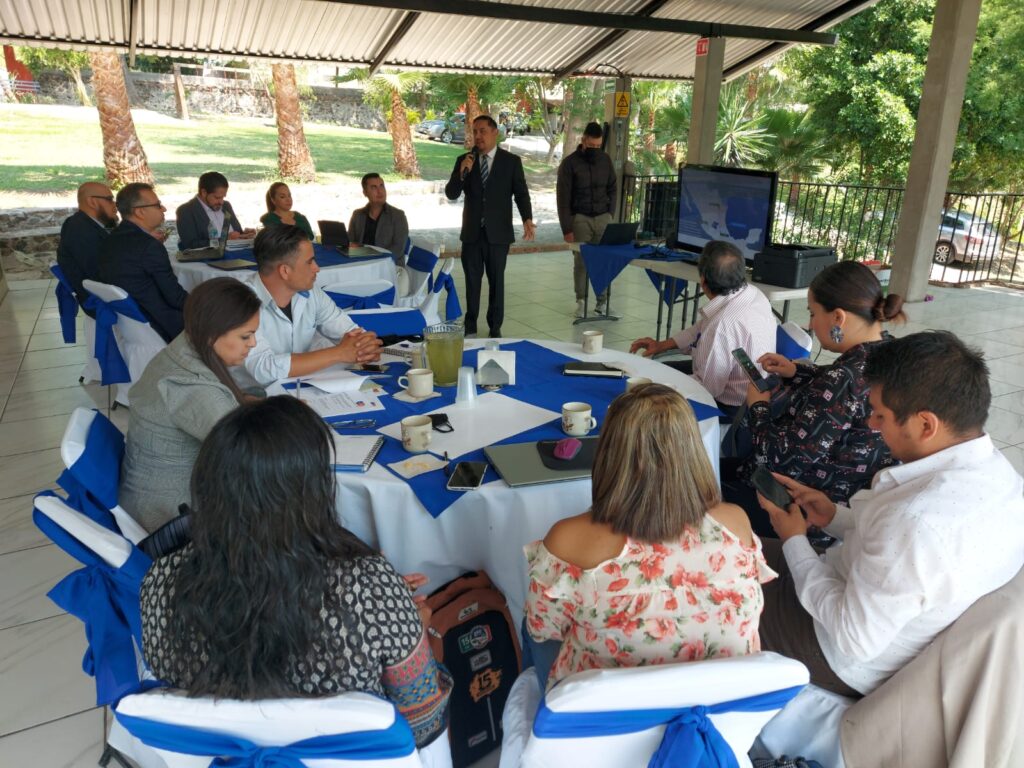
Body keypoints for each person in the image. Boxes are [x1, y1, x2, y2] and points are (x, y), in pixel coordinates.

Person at [140, 396, 452, 747]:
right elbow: (423, 724)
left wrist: (384, 603)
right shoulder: (369, 589)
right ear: (312, 491)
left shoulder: (159, 582)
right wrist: (413, 626)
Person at [755, 331, 1024, 698]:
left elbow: (853, 638)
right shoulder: (1002, 477)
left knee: (709, 580)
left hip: (832, 651)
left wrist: (794, 540)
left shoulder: (917, 522)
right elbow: (895, 549)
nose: (871, 425)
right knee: (736, 545)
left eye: (881, 414)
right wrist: (832, 516)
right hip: (846, 586)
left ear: (925, 425)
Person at [524, 383, 775, 689]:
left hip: (606, 712)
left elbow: (543, 627)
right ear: (693, 451)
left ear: (608, 453)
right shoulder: (735, 523)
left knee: (529, 629)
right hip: (718, 704)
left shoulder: (568, 539)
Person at [724, 260, 906, 536]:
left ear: (838, 318)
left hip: (806, 509)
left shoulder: (842, 379)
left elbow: (777, 459)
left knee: (699, 481)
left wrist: (758, 406)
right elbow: (847, 388)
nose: (810, 324)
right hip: (855, 498)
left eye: (813, 313)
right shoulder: (893, 353)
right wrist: (796, 370)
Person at [121, 278, 262, 532]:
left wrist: (264, 407)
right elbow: (251, 454)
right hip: (170, 518)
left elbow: (232, 405)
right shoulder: (194, 387)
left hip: (151, 493)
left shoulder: (184, 346)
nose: (253, 343)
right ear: (212, 335)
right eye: (246, 336)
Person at [629, 240, 775, 417]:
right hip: (752, 391)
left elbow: (707, 389)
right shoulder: (752, 292)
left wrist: (658, 387)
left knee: (648, 392)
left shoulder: (722, 325)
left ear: (703, 282)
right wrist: (662, 345)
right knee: (661, 370)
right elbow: (701, 328)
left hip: (731, 407)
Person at [243, 225, 382, 386]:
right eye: (310, 262)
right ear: (285, 271)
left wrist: (364, 347)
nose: (317, 268)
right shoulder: (241, 302)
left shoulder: (310, 292)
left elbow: (347, 331)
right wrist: (338, 353)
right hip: (255, 395)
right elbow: (263, 368)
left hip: (301, 387)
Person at [445, 114, 535, 338]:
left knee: (497, 282)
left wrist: (527, 218)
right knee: (472, 281)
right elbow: (451, 193)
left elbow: (521, 193)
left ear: (495, 132)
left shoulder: (511, 162)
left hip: (498, 234)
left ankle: (495, 326)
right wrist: (461, 173)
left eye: (482, 131)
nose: (478, 136)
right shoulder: (464, 160)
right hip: (472, 234)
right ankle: (470, 324)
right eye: (475, 132)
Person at [97, 183, 188, 343]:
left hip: (131, 326)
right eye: (158, 205)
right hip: (163, 326)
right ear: (140, 212)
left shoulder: (111, 239)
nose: (164, 209)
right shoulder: (149, 246)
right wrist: (205, 306)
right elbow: (175, 298)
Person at [556, 122, 617, 318]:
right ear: (583, 140)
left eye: (598, 146)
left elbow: (613, 188)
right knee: (581, 262)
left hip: (603, 217)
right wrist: (567, 228)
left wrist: (610, 213)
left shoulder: (605, 160)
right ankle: (581, 302)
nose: (595, 149)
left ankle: (602, 302)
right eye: (591, 145)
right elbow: (563, 198)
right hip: (580, 218)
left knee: (603, 260)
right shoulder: (569, 164)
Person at [57, 182, 120, 317]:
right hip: (102, 301)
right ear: (92, 202)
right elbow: (100, 274)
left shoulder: (87, 224)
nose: (115, 205)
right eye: (109, 199)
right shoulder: (79, 229)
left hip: (108, 293)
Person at [175, 171, 254, 250]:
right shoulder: (186, 211)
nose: (221, 202)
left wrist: (244, 234)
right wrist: (223, 240)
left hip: (237, 251)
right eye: (217, 197)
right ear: (204, 192)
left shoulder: (226, 206)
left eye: (223, 197)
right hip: (208, 256)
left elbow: (234, 233)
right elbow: (190, 245)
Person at [348, 173, 410, 265]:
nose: (380, 191)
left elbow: (398, 249)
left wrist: (372, 258)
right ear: (365, 193)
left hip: (389, 266)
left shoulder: (398, 216)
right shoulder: (357, 215)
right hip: (360, 263)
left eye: (382, 186)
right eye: (374, 187)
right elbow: (350, 243)